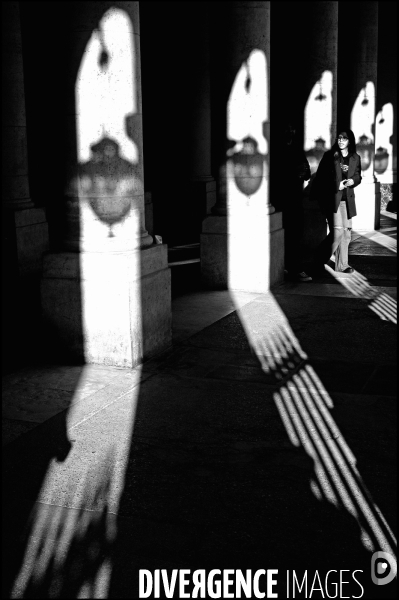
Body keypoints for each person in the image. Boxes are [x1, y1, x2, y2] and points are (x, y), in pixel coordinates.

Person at [311, 128, 362, 275]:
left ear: (349, 141)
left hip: (347, 199)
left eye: (344, 138)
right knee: (337, 232)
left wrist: (353, 180)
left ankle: (342, 265)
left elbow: (358, 175)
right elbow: (321, 177)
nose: (340, 141)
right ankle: (316, 262)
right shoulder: (330, 156)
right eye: (339, 138)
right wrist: (336, 185)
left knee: (346, 232)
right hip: (332, 198)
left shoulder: (355, 157)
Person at [279, 122, 312, 282]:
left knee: (297, 233)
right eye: (287, 129)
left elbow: (307, 172)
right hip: (283, 199)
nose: (290, 131)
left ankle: (293, 267)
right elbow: (279, 173)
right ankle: (292, 268)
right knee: (289, 234)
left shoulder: (297, 150)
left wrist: (303, 172)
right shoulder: (278, 150)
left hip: (296, 198)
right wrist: (294, 173)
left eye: (292, 128)